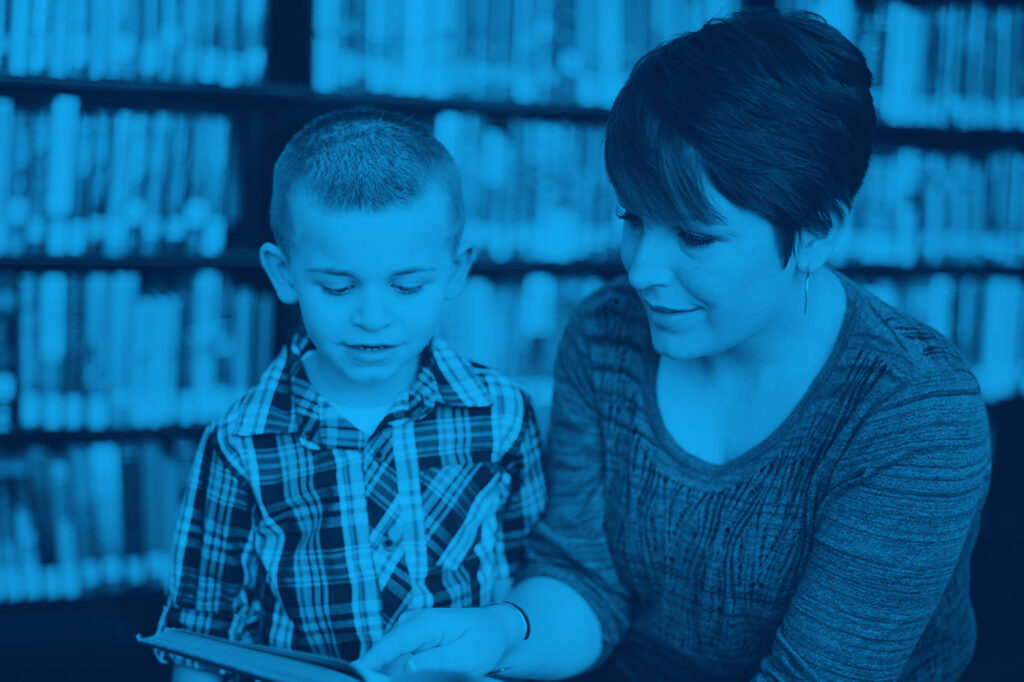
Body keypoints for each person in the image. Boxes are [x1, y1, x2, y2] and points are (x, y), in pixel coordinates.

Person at [357, 9, 992, 682]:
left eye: (694, 236)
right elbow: (585, 579)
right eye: (633, 218)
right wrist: (498, 631)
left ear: (814, 232)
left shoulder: (915, 414)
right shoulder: (606, 335)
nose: (641, 270)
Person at [154, 109, 546, 681]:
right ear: (283, 274)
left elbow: (536, 580)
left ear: (456, 271)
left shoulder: (504, 414)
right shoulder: (240, 445)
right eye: (337, 286)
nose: (372, 318)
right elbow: (200, 640)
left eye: (407, 285)